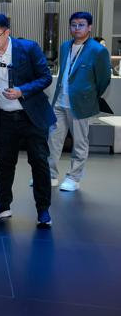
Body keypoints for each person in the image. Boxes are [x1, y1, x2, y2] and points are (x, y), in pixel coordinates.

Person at [0, 13, 56, 228]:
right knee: (5, 163)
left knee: (39, 163)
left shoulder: (28, 48)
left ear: (7, 32)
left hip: (32, 116)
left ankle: (43, 210)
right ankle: (2, 205)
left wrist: (22, 90)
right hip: (4, 117)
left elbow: (45, 77)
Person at [47, 12, 112, 191]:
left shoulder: (98, 50)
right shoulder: (65, 46)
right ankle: (50, 175)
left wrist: (89, 95)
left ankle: (74, 178)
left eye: (81, 25)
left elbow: (104, 79)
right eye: (73, 25)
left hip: (81, 103)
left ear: (89, 27)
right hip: (59, 102)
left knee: (80, 142)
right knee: (53, 140)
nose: (77, 28)